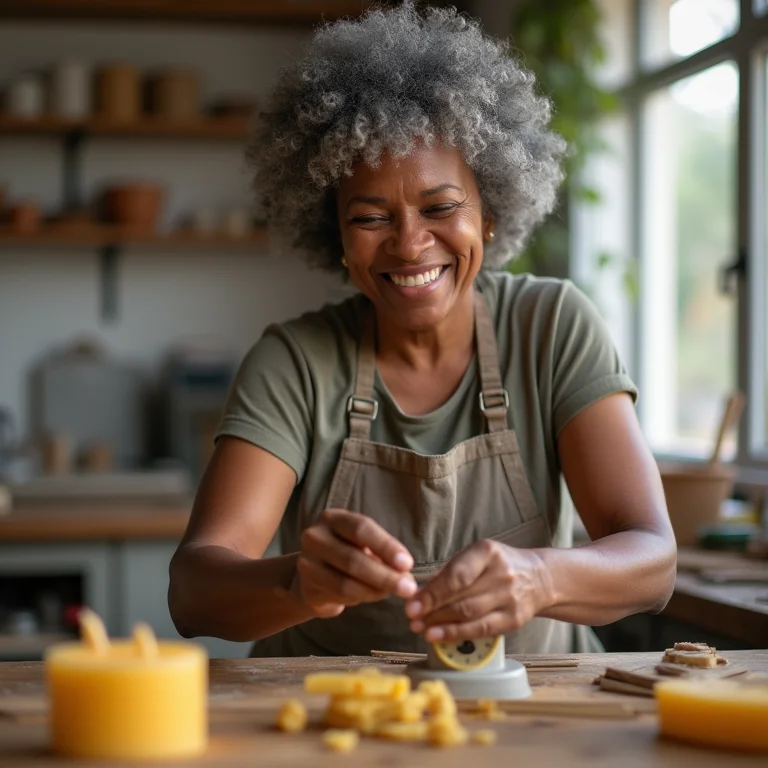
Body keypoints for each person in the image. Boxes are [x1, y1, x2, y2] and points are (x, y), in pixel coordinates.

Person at [168, 2, 676, 657]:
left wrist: (540, 576)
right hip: (335, 725)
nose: (410, 246)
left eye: (440, 207)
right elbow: (192, 592)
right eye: (371, 218)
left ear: (489, 214)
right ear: (338, 238)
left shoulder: (551, 326)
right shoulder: (295, 362)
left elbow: (654, 564)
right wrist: (301, 584)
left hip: (533, 721)